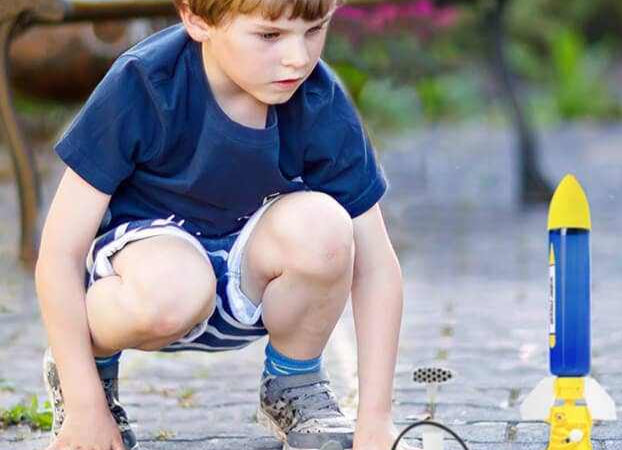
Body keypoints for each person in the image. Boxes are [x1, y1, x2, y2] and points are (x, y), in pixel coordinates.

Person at [34, 0, 407, 449]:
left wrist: (376, 418)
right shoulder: (145, 83)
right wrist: (83, 407)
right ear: (196, 17)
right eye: (270, 36)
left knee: (327, 226)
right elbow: (59, 253)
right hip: (150, 277)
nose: (299, 57)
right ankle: (86, 368)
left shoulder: (316, 99)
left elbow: (377, 266)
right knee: (175, 287)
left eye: (314, 29)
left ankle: (294, 382)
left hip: (245, 273)